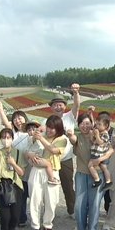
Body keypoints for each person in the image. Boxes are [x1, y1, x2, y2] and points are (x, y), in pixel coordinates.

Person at [67, 113, 112, 230]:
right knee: (79, 202)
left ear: (92, 124)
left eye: (87, 123)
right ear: (78, 125)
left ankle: (92, 228)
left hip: (97, 173)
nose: (85, 126)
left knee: (95, 202)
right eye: (82, 123)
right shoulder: (78, 137)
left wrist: (100, 159)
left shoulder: (99, 135)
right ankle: (80, 227)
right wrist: (70, 135)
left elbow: (111, 149)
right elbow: (73, 140)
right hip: (81, 173)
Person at [27, 115, 67, 230]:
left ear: (58, 129)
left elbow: (53, 150)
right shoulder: (39, 136)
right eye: (48, 127)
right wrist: (31, 152)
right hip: (37, 169)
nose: (49, 130)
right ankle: (35, 225)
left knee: (51, 200)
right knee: (35, 198)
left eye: (53, 128)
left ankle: (47, 224)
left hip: (52, 170)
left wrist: (41, 139)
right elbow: (29, 148)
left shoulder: (62, 139)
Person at [47, 83, 81, 216]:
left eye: (60, 104)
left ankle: (72, 211)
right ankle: (50, 213)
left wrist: (76, 92)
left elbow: (77, 105)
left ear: (64, 106)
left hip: (65, 158)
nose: (58, 106)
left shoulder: (69, 117)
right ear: (51, 107)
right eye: (55, 104)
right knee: (50, 187)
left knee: (68, 186)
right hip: (50, 160)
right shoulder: (48, 121)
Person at [0, 128, 25, 230]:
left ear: (12, 139)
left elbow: (21, 172)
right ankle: (4, 229)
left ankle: (13, 227)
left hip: (15, 184)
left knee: (15, 212)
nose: (6, 140)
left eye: (8, 137)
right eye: (3, 138)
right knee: (4, 213)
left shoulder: (18, 152)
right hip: (1, 184)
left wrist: (13, 164)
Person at [88, 114, 112, 189]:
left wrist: (97, 135)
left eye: (99, 124)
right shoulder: (100, 132)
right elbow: (93, 141)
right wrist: (92, 135)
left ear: (106, 126)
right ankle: (108, 181)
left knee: (90, 165)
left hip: (98, 154)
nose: (97, 126)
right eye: (97, 123)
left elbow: (100, 142)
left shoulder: (105, 134)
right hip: (99, 154)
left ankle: (97, 179)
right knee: (104, 167)